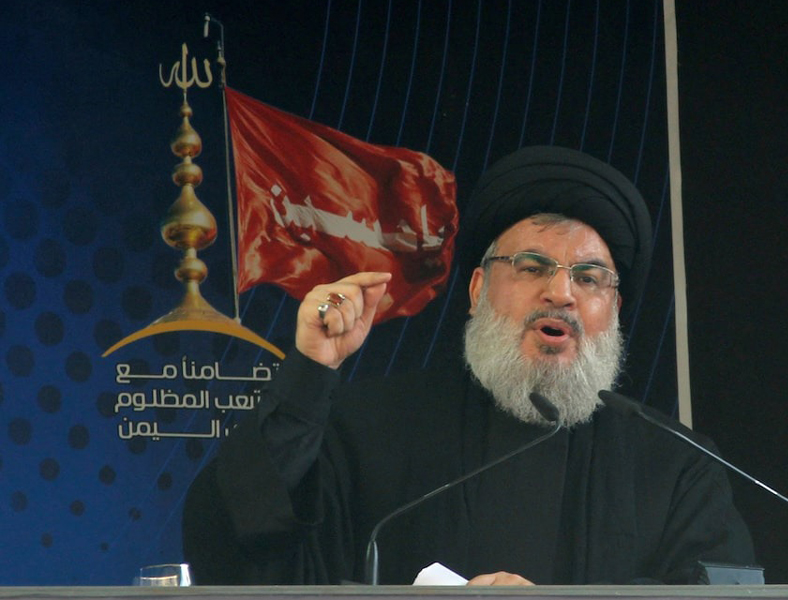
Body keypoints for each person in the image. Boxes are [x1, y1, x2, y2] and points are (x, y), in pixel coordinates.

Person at [182, 146, 754, 586]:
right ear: (478, 289)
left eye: (589, 278)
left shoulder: (676, 464)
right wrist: (310, 375)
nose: (562, 292)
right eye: (532, 266)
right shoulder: (367, 431)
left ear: (614, 308)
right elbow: (234, 544)